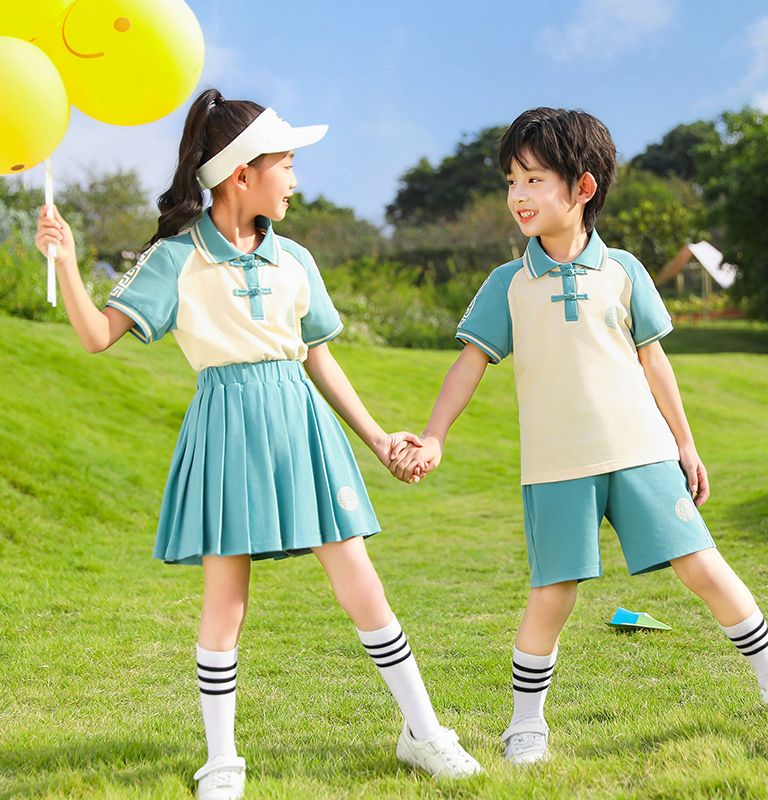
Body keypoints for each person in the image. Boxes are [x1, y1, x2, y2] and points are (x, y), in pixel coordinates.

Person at [35, 88, 481, 800]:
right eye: (288, 163)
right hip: (225, 430)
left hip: (302, 428)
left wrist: (374, 438)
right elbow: (96, 337)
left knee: (361, 583)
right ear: (242, 172)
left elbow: (318, 355)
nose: (298, 178)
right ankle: (221, 760)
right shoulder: (172, 258)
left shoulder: (296, 259)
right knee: (226, 601)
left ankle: (423, 732)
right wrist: (64, 259)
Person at [389, 106, 768, 766]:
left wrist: (686, 444)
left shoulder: (626, 272)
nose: (517, 196)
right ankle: (526, 725)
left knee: (703, 568)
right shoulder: (508, 284)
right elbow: (470, 364)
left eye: (533, 180)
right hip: (556, 466)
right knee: (554, 593)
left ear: (582, 188)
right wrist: (435, 436)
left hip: (641, 452)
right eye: (511, 182)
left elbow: (653, 360)